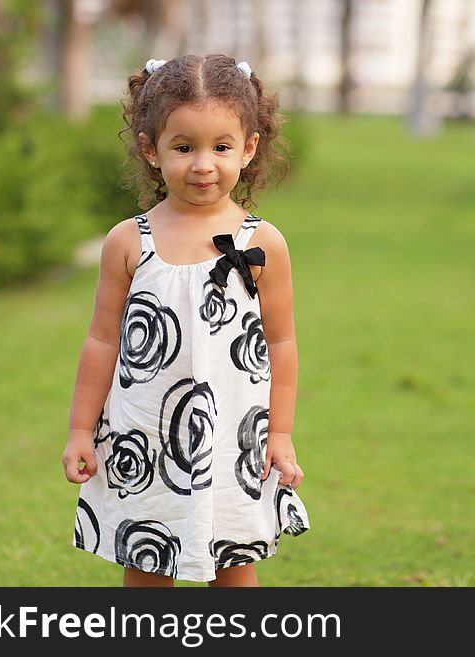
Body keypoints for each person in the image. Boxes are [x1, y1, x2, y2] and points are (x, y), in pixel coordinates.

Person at [62, 54, 310, 588]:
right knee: (148, 559)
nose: (203, 164)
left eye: (221, 147)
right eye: (184, 147)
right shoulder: (129, 241)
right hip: (144, 432)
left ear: (248, 149)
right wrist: (82, 428)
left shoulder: (262, 244)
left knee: (234, 560)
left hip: (232, 435)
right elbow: (102, 340)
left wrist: (281, 433)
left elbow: (282, 342)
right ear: (152, 150)